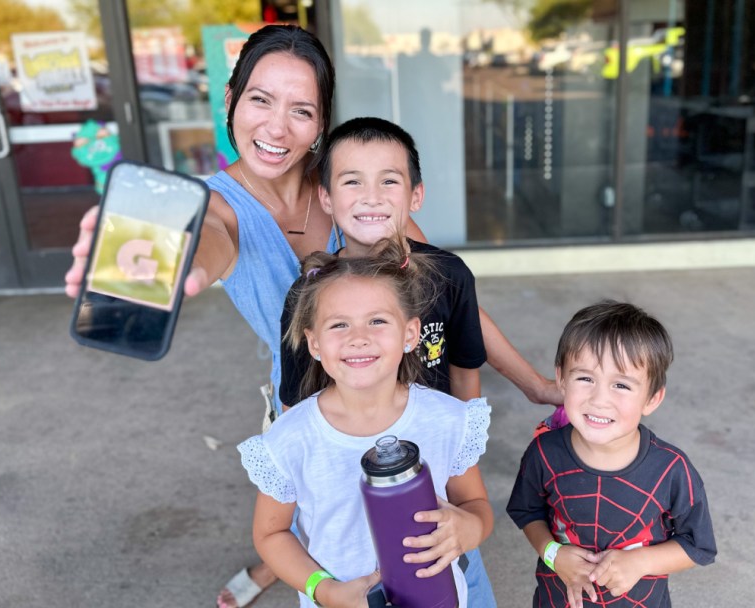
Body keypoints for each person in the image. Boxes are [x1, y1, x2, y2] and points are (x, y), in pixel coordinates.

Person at [61, 24, 554, 608]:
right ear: (231, 101)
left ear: (321, 123)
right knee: (328, 529)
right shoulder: (216, 204)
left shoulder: (354, 188)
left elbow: (442, 288)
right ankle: (282, 563)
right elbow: (209, 237)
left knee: (417, 535)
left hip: (399, 393)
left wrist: (535, 385)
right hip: (307, 401)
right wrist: (180, 259)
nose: (276, 127)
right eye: (260, 100)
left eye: (301, 110)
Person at [279, 116, 496, 605]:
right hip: (348, 484)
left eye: (389, 181)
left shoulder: (451, 275)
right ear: (327, 197)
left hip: (437, 482)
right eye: (352, 180)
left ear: (415, 196)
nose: (371, 196)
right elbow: (297, 404)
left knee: (458, 577)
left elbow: (465, 371)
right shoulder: (307, 294)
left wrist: (464, 467)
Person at [239, 238, 493, 607]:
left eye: (377, 321)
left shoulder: (447, 419)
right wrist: (324, 590)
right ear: (314, 344)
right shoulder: (292, 438)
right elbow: (271, 533)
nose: (359, 338)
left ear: (410, 334)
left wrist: (469, 528)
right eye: (339, 325)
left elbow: (476, 505)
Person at [506, 300, 716, 608]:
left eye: (621, 384)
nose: (600, 399)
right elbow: (528, 513)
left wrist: (640, 562)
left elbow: (698, 546)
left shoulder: (672, 469)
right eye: (585, 378)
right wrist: (553, 553)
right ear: (562, 378)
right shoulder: (544, 453)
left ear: (652, 399)